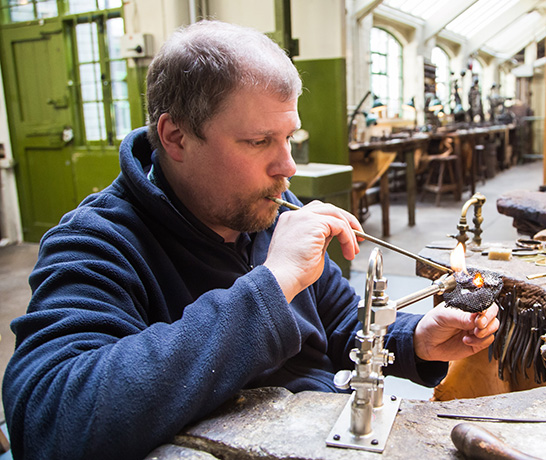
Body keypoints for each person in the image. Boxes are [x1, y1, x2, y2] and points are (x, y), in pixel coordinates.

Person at [2, 20, 499, 460]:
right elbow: (50, 424)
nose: (287, 166)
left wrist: (414, 340)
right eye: (259, 141)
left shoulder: (273, 207)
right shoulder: (95, 242)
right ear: (175, 137)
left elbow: (339, 321)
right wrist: (273, 284)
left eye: (289, 138)